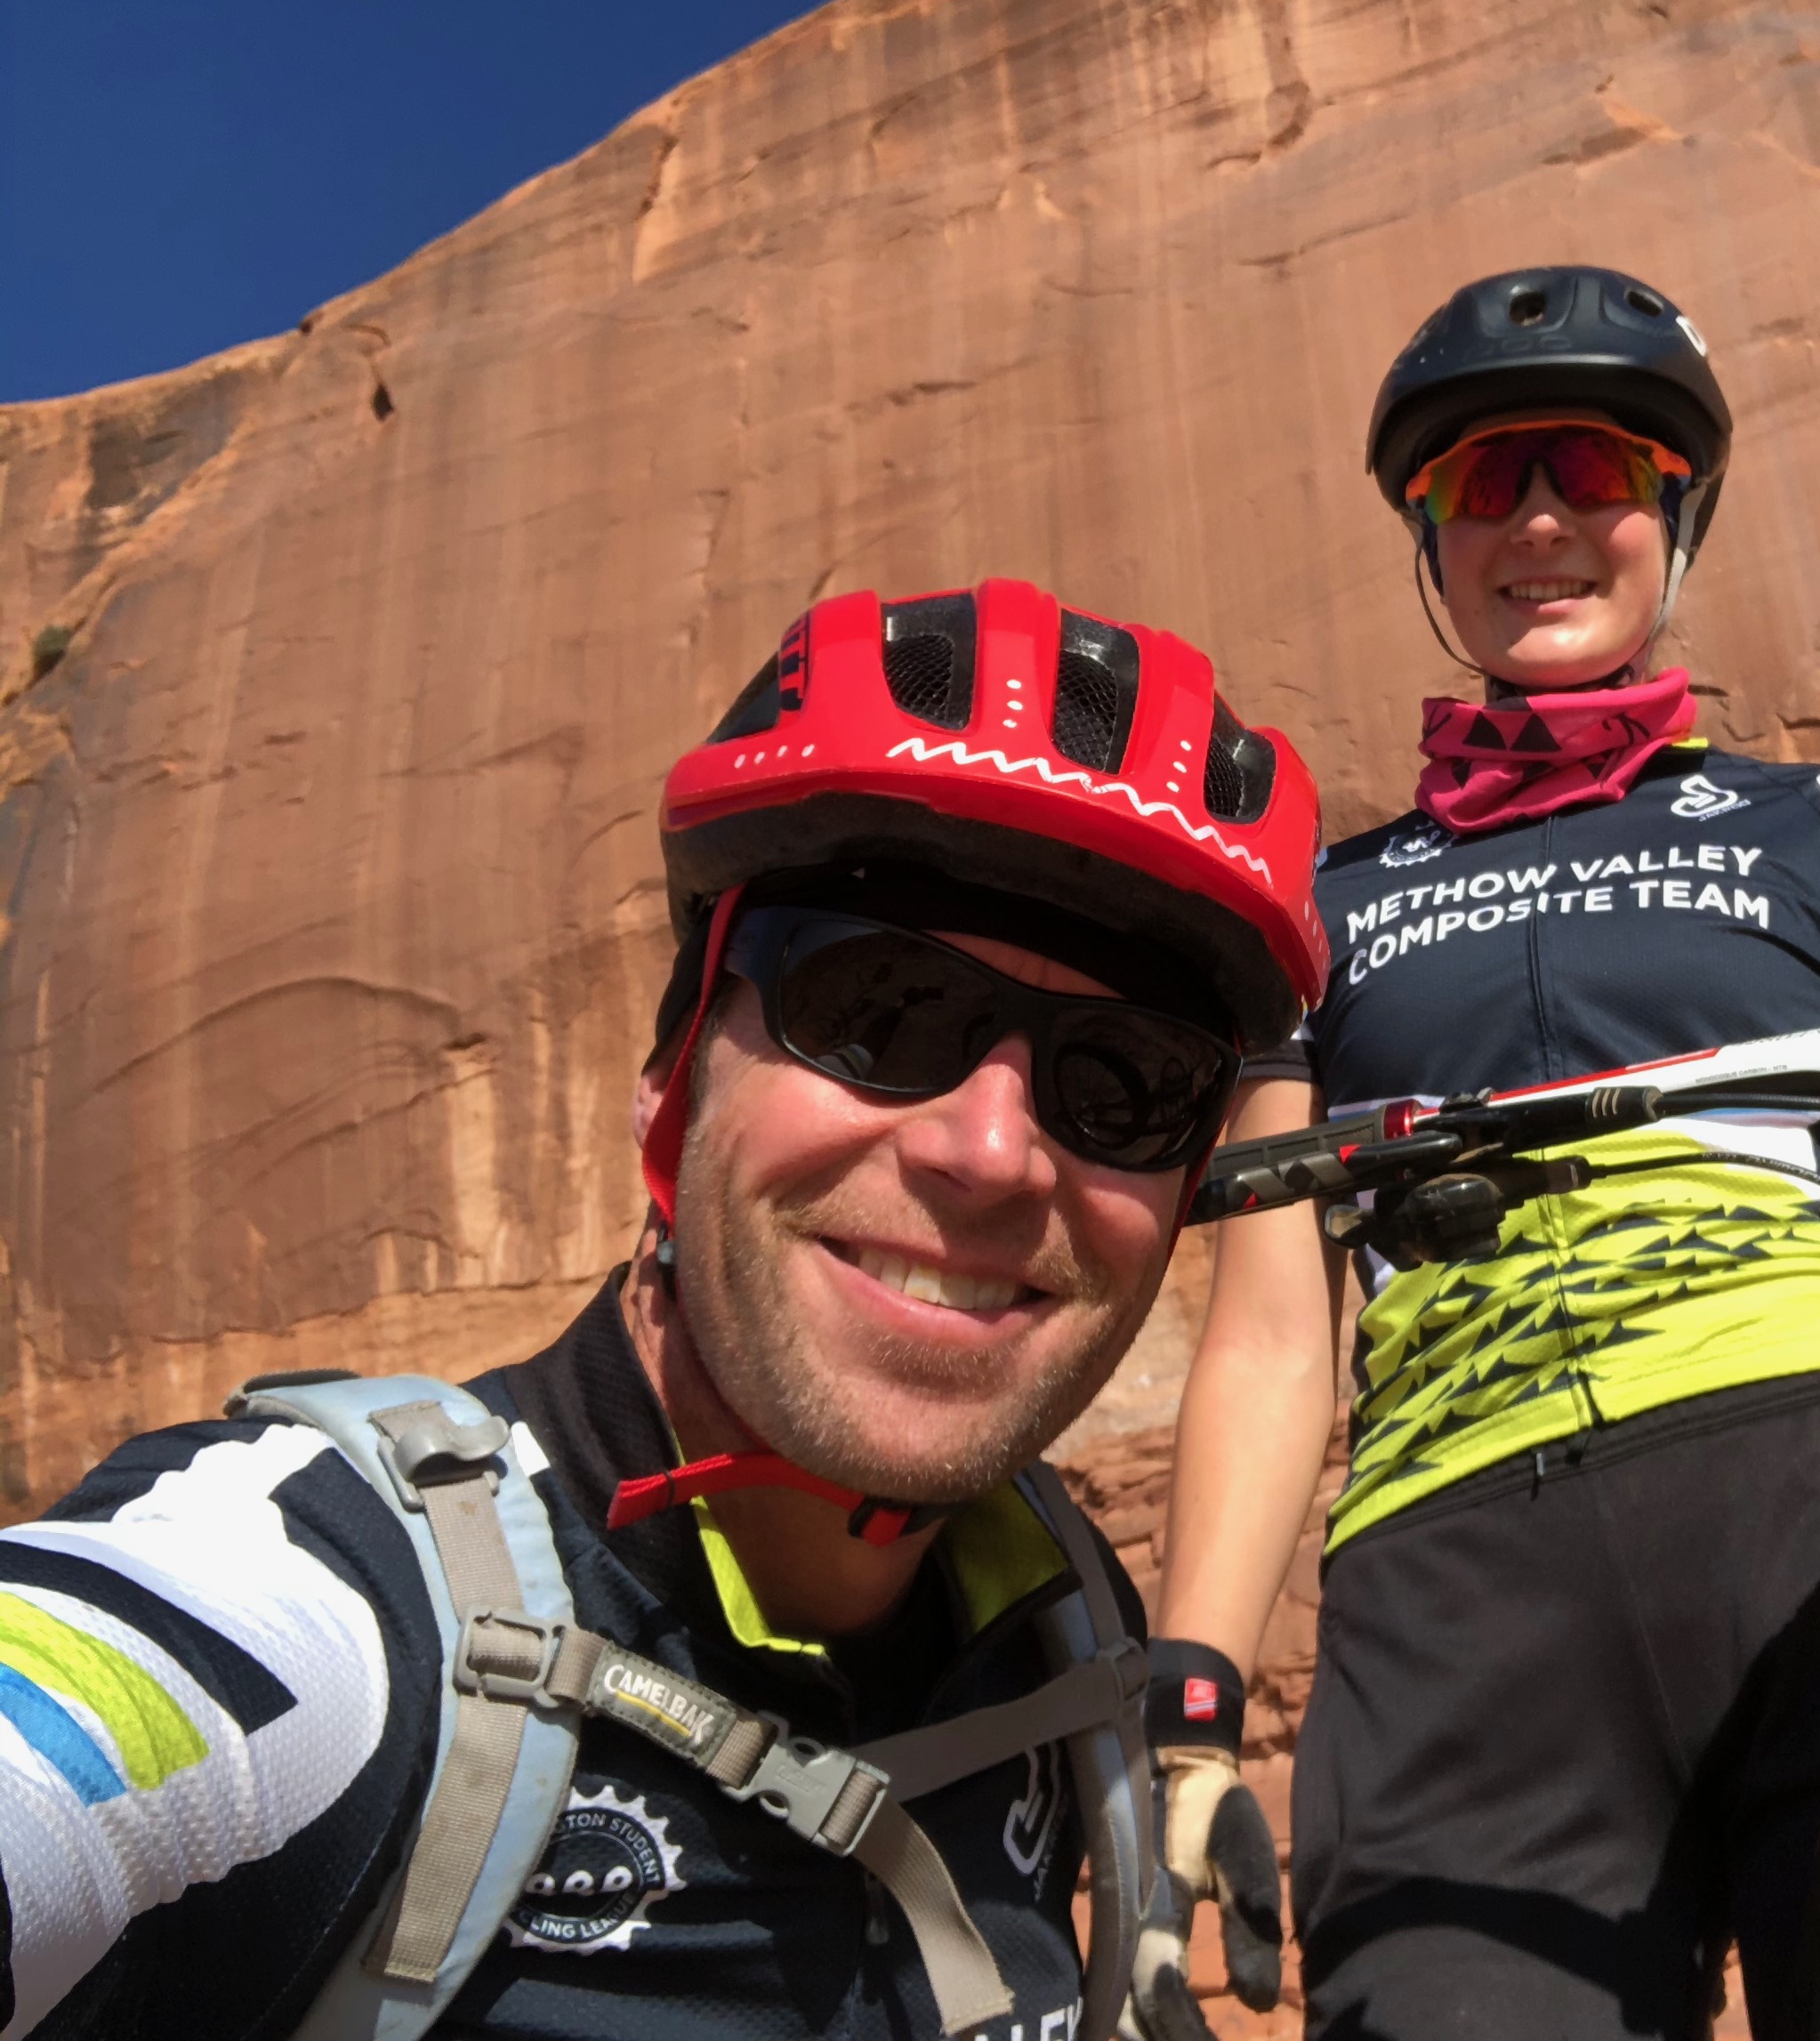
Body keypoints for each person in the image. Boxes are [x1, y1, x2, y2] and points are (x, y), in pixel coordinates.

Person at [0, 578, 1325, 2041]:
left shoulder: (1060, 1631)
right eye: (878, 1008)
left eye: (1127, 1085)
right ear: (671, 1077)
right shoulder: (334, 1610)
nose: (995, 1151)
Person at [1149, 267, 1820, 2039]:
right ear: (1429, 536)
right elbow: (1264, 1330)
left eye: (1596, 469)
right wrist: (1188, 1719)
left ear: (1675, 511)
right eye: (1486, 481)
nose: (1541, 519)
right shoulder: (1316, 910)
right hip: (1453, 1601)